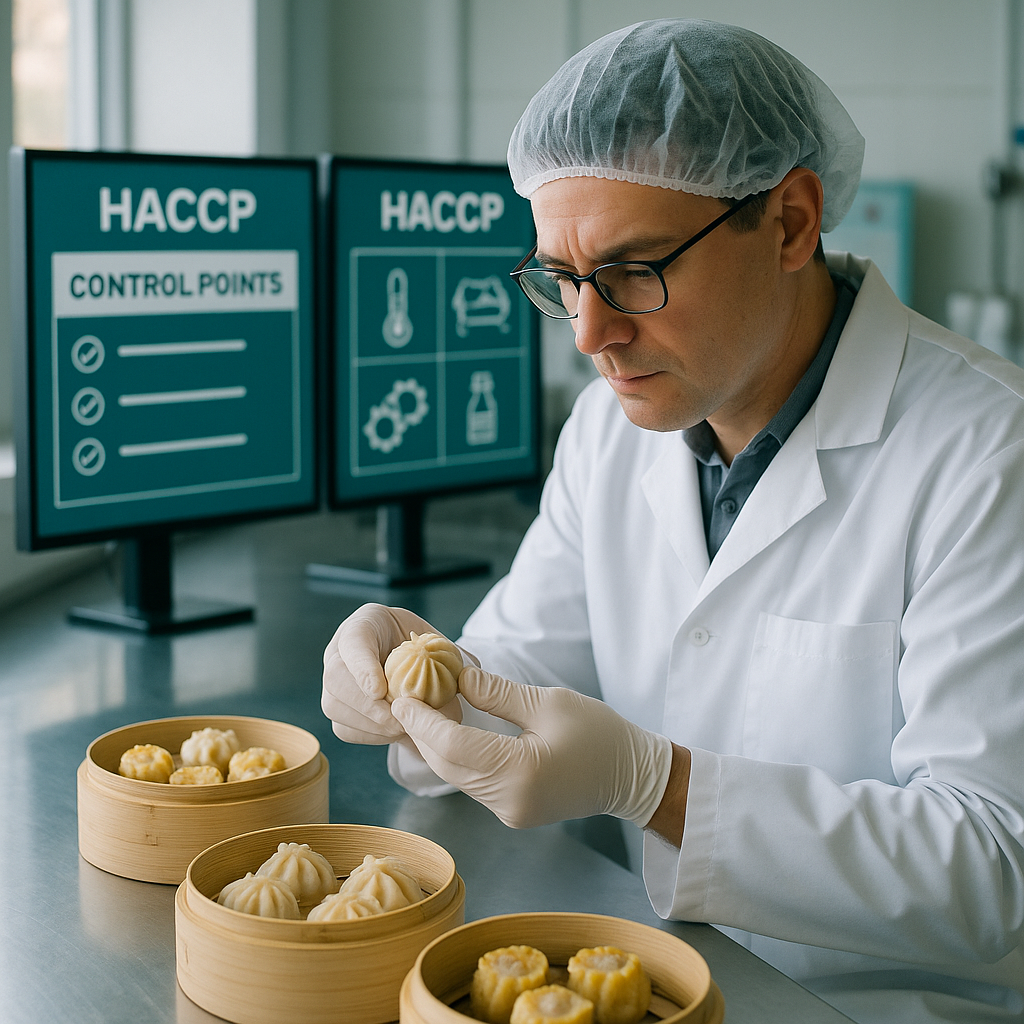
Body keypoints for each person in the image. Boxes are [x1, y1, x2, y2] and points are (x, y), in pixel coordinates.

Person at [322, 19, 1024, 1023]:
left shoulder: (989, 454)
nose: (592, 335)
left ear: (788, 221)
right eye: (562, 283)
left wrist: (654, 784)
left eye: (633, 270)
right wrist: (411, 679)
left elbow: (991, 868)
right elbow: (520, 672)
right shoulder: (612, 436)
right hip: (662, 980)